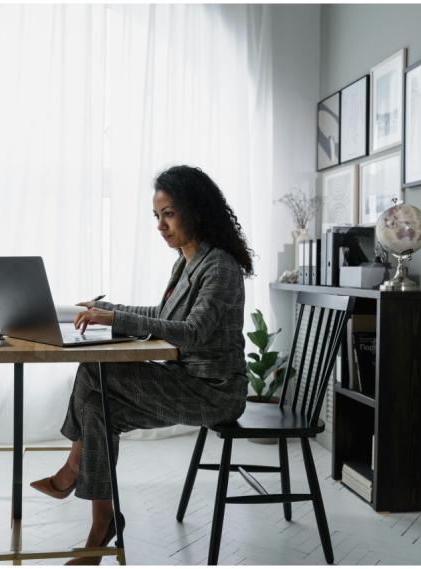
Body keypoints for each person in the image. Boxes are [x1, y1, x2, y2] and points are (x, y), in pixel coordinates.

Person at [30, 165, 254, 564]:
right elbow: (163, 313)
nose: (161, 226)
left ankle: (72, 471)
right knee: (97, 406)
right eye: (157, 216)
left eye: (169, 214)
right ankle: (102, 525)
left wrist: (115, 320)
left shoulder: (219, 266)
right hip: (184, 379)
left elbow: (192, 332)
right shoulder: (187, 261)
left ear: (195, 211)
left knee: (92, 369)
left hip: (214, 391)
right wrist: (109, 308)